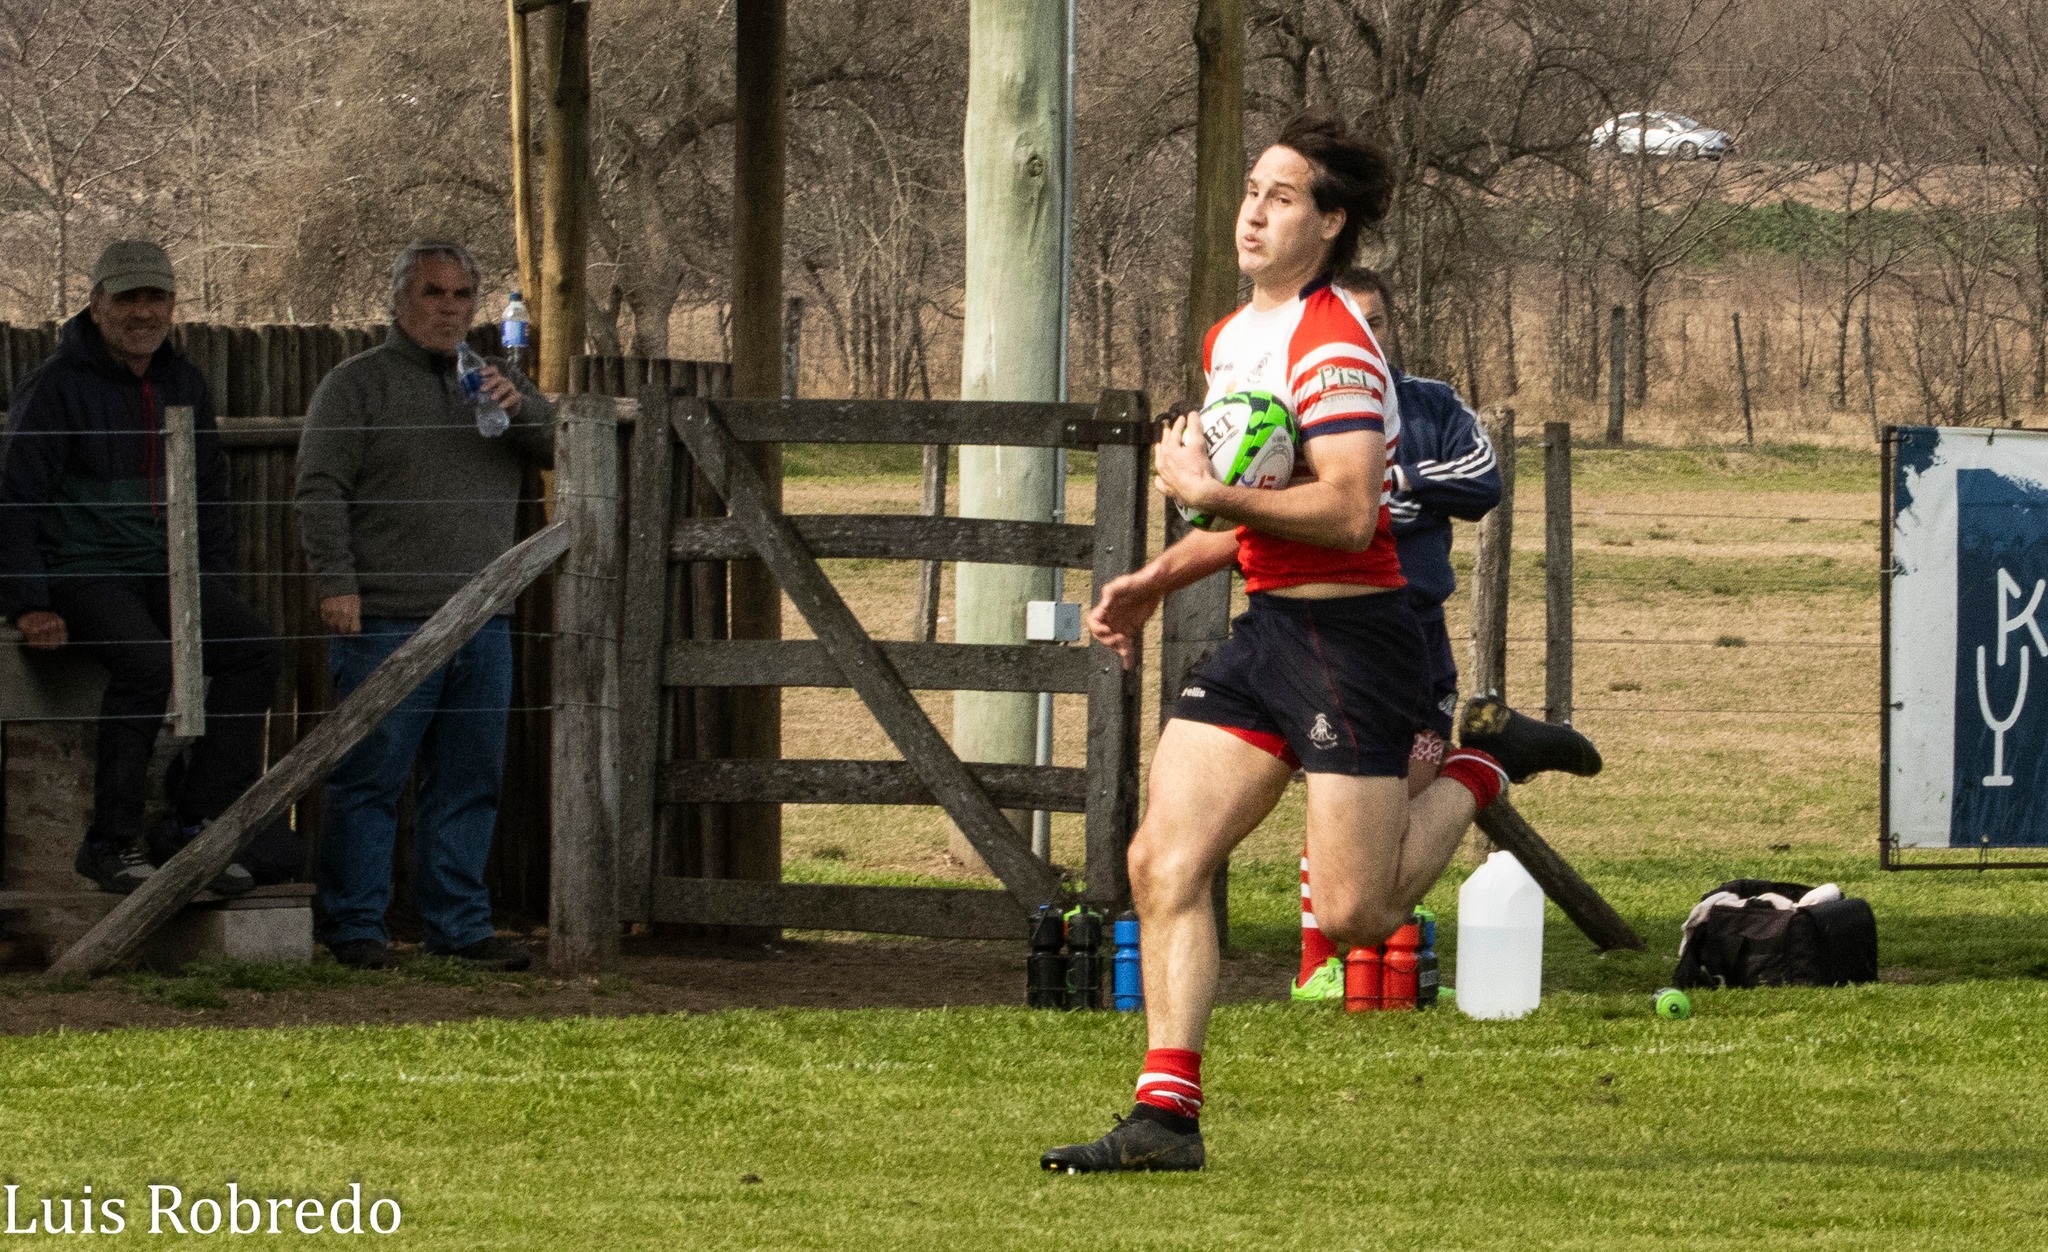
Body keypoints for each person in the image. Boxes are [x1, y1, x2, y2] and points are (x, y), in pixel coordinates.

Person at [1040, 114, 1599, 1173]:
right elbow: (1258, 507)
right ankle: (1165, 1117)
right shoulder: (1231, 337)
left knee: (1353, 913)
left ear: (1328, 222)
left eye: (1282, 197)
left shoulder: (1333, 346)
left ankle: (1479, 759)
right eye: (1250, 190)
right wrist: (1155, 579)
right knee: (1162, 858)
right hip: (1269, 630)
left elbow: (1347, 513)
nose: (1253, 211)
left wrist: (1203, 491)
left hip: (1355, 636)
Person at [295, 239, 552, 972]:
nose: (448, 308)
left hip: (483, 617)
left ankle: (460, 928)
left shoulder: (493, 380)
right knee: (371, 778)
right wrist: (336, 583)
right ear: (400, 302)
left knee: (470, 781)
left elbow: (563, 446)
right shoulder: (357, 385)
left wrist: (523, 405)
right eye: (433, 294)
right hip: (386, 616)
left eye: (462, 295)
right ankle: (355, 929)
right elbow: (319, 488)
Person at [0, 240, 285, 897]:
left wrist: (210, 582)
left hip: (166, 569)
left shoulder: (184, 383)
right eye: (128, 298)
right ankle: (111, 841)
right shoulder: (54, 388)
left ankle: (193, 821)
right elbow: (14, 502)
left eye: (155, 297)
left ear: (173, 305)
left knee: (253, 649)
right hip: (81, 569)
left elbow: (208, 496)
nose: (143, 311)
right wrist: (28, 602)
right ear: (97, 306)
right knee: (149, 661)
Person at [1289, 266, 1504, 1003]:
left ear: (1393, 325)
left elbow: (1482, 480)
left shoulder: (1430, 403)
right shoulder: (1303, 402)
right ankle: (1322, 964)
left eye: (1376, 322)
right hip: (1332, 629)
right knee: (1336, 790)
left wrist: (1391, 481)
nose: (1365, 337)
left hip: (1417, 632)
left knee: (1407, 787)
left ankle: (1378, 964)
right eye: (1351, 323)